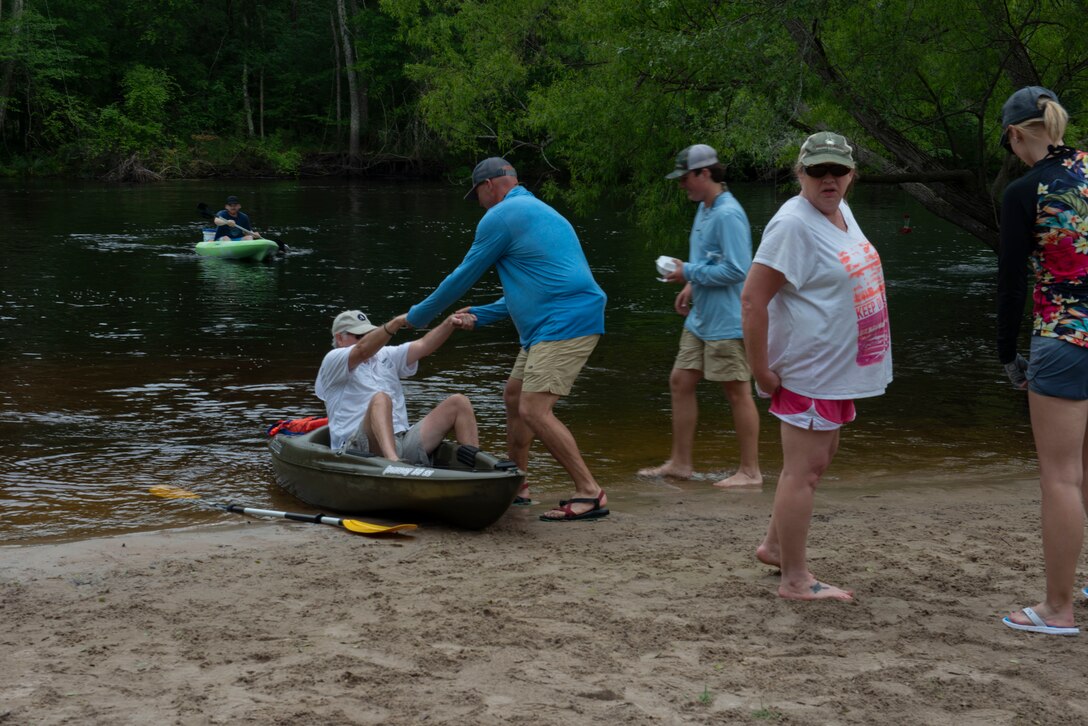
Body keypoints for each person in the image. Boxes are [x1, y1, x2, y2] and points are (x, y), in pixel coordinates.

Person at [405, 157, 609, 521]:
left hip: (566, 320)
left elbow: (462, 276)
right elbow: (535, 288)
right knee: (514, 396)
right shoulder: (535, 210)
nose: (478, 204)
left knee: (534, 408)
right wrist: (480, 316)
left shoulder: (501, 216)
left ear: (489, 186)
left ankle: (590, 493)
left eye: (477, 195)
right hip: (553, 319)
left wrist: (418, 316)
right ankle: (517, 483)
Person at [741, 131, 892, 601]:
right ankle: (795, 580)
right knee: (801, 472)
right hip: (809, 369)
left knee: (816, 463)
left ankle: (772, 546)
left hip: (836, 368)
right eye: (817, 171)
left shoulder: (838, 210)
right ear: (799, 173)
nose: (829, 179)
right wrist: (760, 370)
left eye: (838, 170)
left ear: (851, 174)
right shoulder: (792, 225)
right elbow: (752, 299)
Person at [996, 87, 1088, 636]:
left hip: (1063, 338)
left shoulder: (1024, 191)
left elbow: (1010, 284)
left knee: (1061, 477)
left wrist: (1008, 353)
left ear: (1015, 136)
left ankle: (1057, 609)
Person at [638, 143, 762, 488]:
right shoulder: (706, 208)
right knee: (680, 380)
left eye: (685, 178)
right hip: (701, 317)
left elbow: (739, 269)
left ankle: (750, 472)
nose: (681, 185)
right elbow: (712, 260)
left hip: (726, 320)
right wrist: (691, 284)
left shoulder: (727, 213)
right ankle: (680, 463)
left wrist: (689, 272)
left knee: (736, 391)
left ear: (705, 174)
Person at [315, 309, 478, 465]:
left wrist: (449, 323)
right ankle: (393, 462)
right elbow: (361, 350)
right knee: (381, 398)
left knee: (458, 402)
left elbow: (424, 345)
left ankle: (477, 463)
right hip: (356, 449)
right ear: (340, 338)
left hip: (401, 440)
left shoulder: (385, 355)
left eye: (370, 334)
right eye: (360, 335)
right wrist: (397, 322)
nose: (368, 338)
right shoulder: (333, 360)